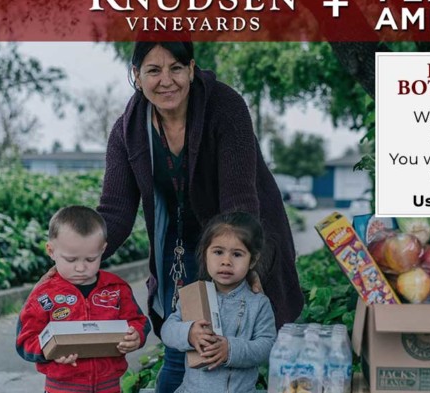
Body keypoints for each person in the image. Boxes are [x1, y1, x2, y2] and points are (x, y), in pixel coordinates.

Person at [97, 39, 303, 392]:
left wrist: (249, 263)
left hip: (237, 238)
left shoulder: (225, 107)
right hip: (177, 249)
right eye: (153, 70)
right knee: (184, 347)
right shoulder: (128, 131)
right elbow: (115, 211)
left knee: (244, 336)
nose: (166, 80)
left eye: (176, 68)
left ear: (191, 70)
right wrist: (77, 256)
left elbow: (238, 200)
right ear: (136, 75)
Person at [16, 206, 151, 393]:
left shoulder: (116, 288)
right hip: (61, 388)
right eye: (71, 260)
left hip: (109, 386)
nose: (80, 268)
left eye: (90, 259)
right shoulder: (43, 295)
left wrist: (136, 336)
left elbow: (138, 322)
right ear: (51, 250)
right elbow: (25, 341)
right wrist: (50, 352)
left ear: (103, 249)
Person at [161, 212, 276, 393]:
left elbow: (267, 345)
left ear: (252, 260)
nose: (226, 262)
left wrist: (231, 349)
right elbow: (167, 330)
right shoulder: (195, 296)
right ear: (205, 254)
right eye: (218, 252)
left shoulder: (258, 303)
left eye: (237, 254)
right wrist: (189, 333)